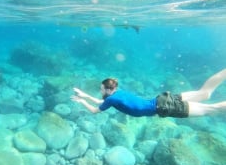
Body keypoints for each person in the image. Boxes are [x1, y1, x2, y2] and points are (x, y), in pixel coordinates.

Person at [71, 69, 226, 118]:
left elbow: (94, 110)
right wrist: (84, 95)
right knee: (204, 93)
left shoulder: (111, 100)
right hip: (163, 99)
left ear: (109, 90)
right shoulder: (117, 93)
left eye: (102, 89)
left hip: (165, 107)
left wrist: (81, 102)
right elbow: (100, 102)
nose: (100, 90)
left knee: (212, 109)